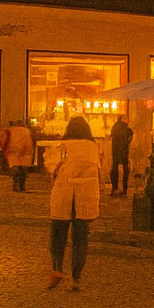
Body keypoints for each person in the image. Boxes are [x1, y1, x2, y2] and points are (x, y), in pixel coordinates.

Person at [47, 116, 100, 291]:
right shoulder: (93, 147)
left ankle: (57, 269)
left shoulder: (65, 146)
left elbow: (51, 165)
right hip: (86, 196)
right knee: (80, 238)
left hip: (64, 193)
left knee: (58, 234)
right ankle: (75, 277)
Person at [1, 119, 35, 193]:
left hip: (12, 151)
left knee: (15, 167)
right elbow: (31, 141)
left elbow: (4, 140)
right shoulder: (27, 131)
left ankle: (16, 183)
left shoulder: (10, 130)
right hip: (26, 152)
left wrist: (4, 149)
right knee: (23, 168)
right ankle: (22, 184)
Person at [107, 114, 133, 197]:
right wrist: (127, 143)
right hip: (124, 151)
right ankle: (125, 189)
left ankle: (115, 188)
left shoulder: (115, 127)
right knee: (125, 170)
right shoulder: (127, 128)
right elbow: (130, 136)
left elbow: (112, 136)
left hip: (116, 151)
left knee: (115, 169)